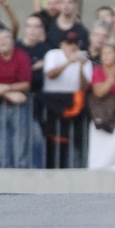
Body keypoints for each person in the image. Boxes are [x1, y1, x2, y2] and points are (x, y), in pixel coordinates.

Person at [0, 28, 44, 169]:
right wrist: (8, 92)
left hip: (20, 106)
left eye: (6, 38)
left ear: (13, 41)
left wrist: (3, 88)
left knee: (20, 147)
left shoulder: (22, 56)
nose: (3, 41)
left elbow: (25, 84)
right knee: (0, 150)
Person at [40, 31, 92, 168]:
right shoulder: (53, 54)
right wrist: (69, 61)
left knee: (74, 142)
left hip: (74, 104)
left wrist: (80, 66)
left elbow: (84, 87)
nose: (73, 47)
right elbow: (50, 74)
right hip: (53, 104)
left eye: (75, 44)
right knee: (51, 142)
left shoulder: (85, 60)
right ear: (62, 44)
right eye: (69, 44)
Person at [15, 13, 52, 93]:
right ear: (25, 28)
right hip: (17, 93)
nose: (32, 30)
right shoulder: (15, 47)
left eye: (36, 26)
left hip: (39, 94)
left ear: (42, 29)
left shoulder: (46, 49)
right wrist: (34, 67)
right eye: (29, 26)